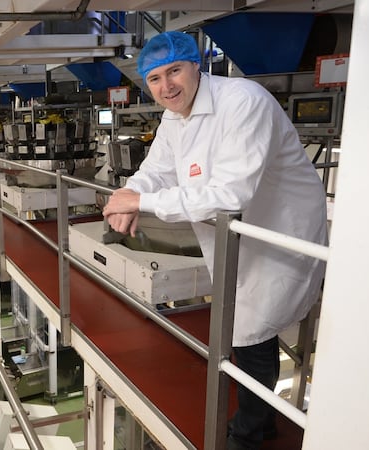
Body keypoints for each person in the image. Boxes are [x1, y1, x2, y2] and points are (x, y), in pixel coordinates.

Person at [102, 31, 327, 450]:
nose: (166, 86)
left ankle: (248, 433)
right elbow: (158, 169)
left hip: (279, 230)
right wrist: (127, 195)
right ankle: (256, 423)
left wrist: (143, 200)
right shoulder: (174, 117)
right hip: (233, 235)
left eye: (174, 72)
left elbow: (230, 196)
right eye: (154, 79)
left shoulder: (242, 101)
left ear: (195, 66)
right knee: (241, 325)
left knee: (251, 331)